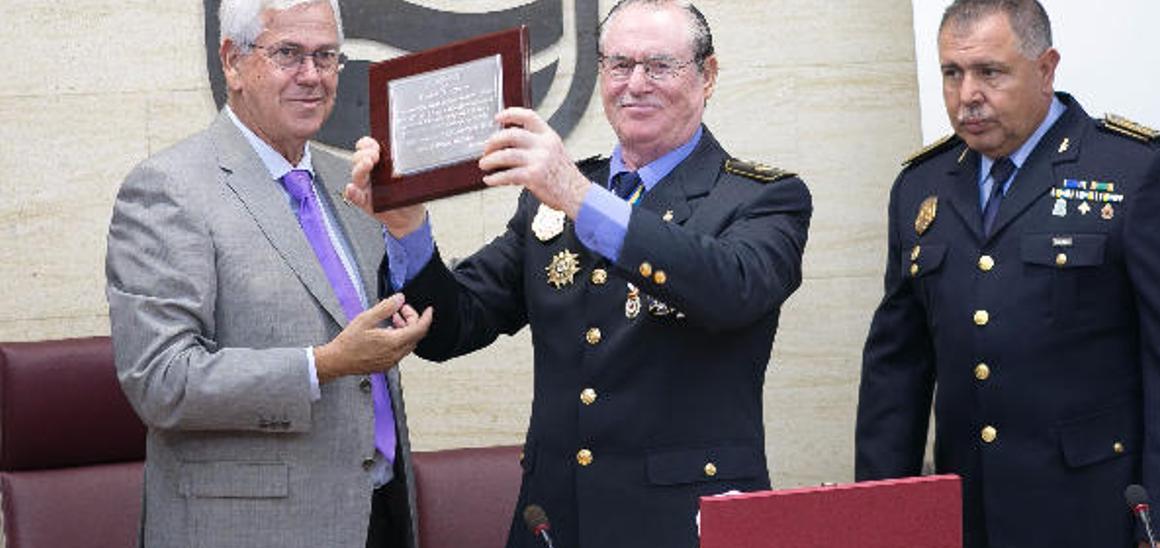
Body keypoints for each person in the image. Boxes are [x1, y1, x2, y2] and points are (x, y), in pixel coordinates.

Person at [344, 1, 811, 546]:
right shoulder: (554, 200)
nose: (635, 83)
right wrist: (407, 228)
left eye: (659, 66)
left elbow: (729, 289)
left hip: (681, 525)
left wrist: (577, 195)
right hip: (553, 524)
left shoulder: (763, 197)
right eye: (618, 65)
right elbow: (452, 327)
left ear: (707, 75)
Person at [854, 1, 1160, 547]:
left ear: (1046, 68)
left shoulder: (1135, 173)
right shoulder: (921, 187)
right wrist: (882, 520)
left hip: (1097, 516)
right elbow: (896, 372)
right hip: (970, 520)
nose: (967, 96)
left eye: (990, 72)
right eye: (952, 74)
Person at [105, 1, 433, 546]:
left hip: (374, 514)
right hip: (248, 530)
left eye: (326, 56)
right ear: (232, 62)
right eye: (288, 54)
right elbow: (161, 380)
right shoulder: (168, 188)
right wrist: (322, 365)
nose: (312, 76)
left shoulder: (348, 184)